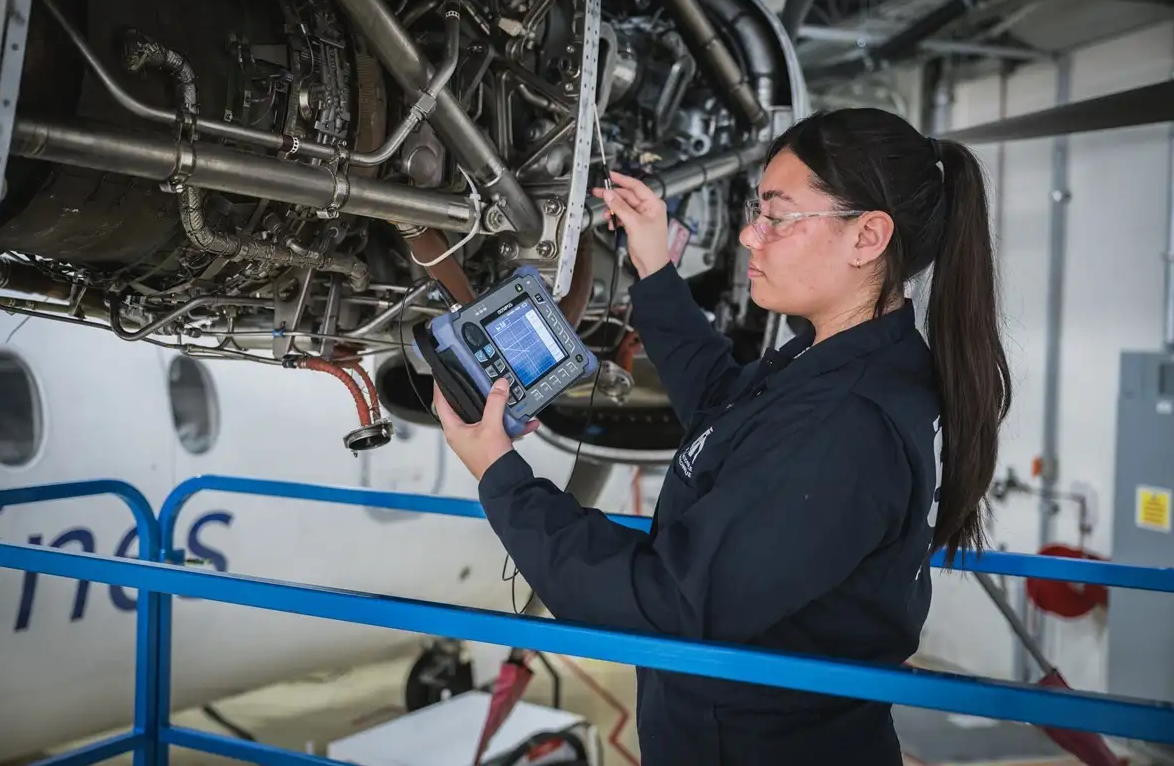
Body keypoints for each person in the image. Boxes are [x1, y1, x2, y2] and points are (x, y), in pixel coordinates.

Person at [431, 107, 1012, 765]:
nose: (748, 236)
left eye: (776, 216)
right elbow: (723, 406)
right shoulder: (850, 363)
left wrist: (501, 477)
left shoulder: (846, 423)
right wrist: (654, 267)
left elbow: (667, 604)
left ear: (868, 237)